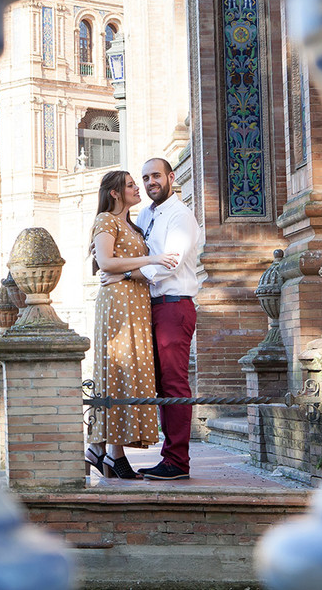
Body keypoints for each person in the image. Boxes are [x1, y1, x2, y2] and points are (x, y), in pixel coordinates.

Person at [102, 158, 200, 480]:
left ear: (171, 177)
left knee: (174, 384)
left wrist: (127, 274)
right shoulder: (145, 214)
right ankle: (165, 456)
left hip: (173, 305)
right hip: (150, 308)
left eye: (155, 176)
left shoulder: (180, 216)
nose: (149, 182)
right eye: (144, 178)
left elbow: (168, 262)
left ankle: (177, 461)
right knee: (157, 384)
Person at [86, 170, 179, 479]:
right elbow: (106, 262)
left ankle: (105, 450)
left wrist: (130, 272)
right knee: (118, 370)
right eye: (129, 185)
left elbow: (121, 269)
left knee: (131, 371)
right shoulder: (106, 221)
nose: (137, 188)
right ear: (115, 193)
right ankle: (112, 453)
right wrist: (151, 260)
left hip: (136, 303)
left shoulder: (133, 225)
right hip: (117, 307)